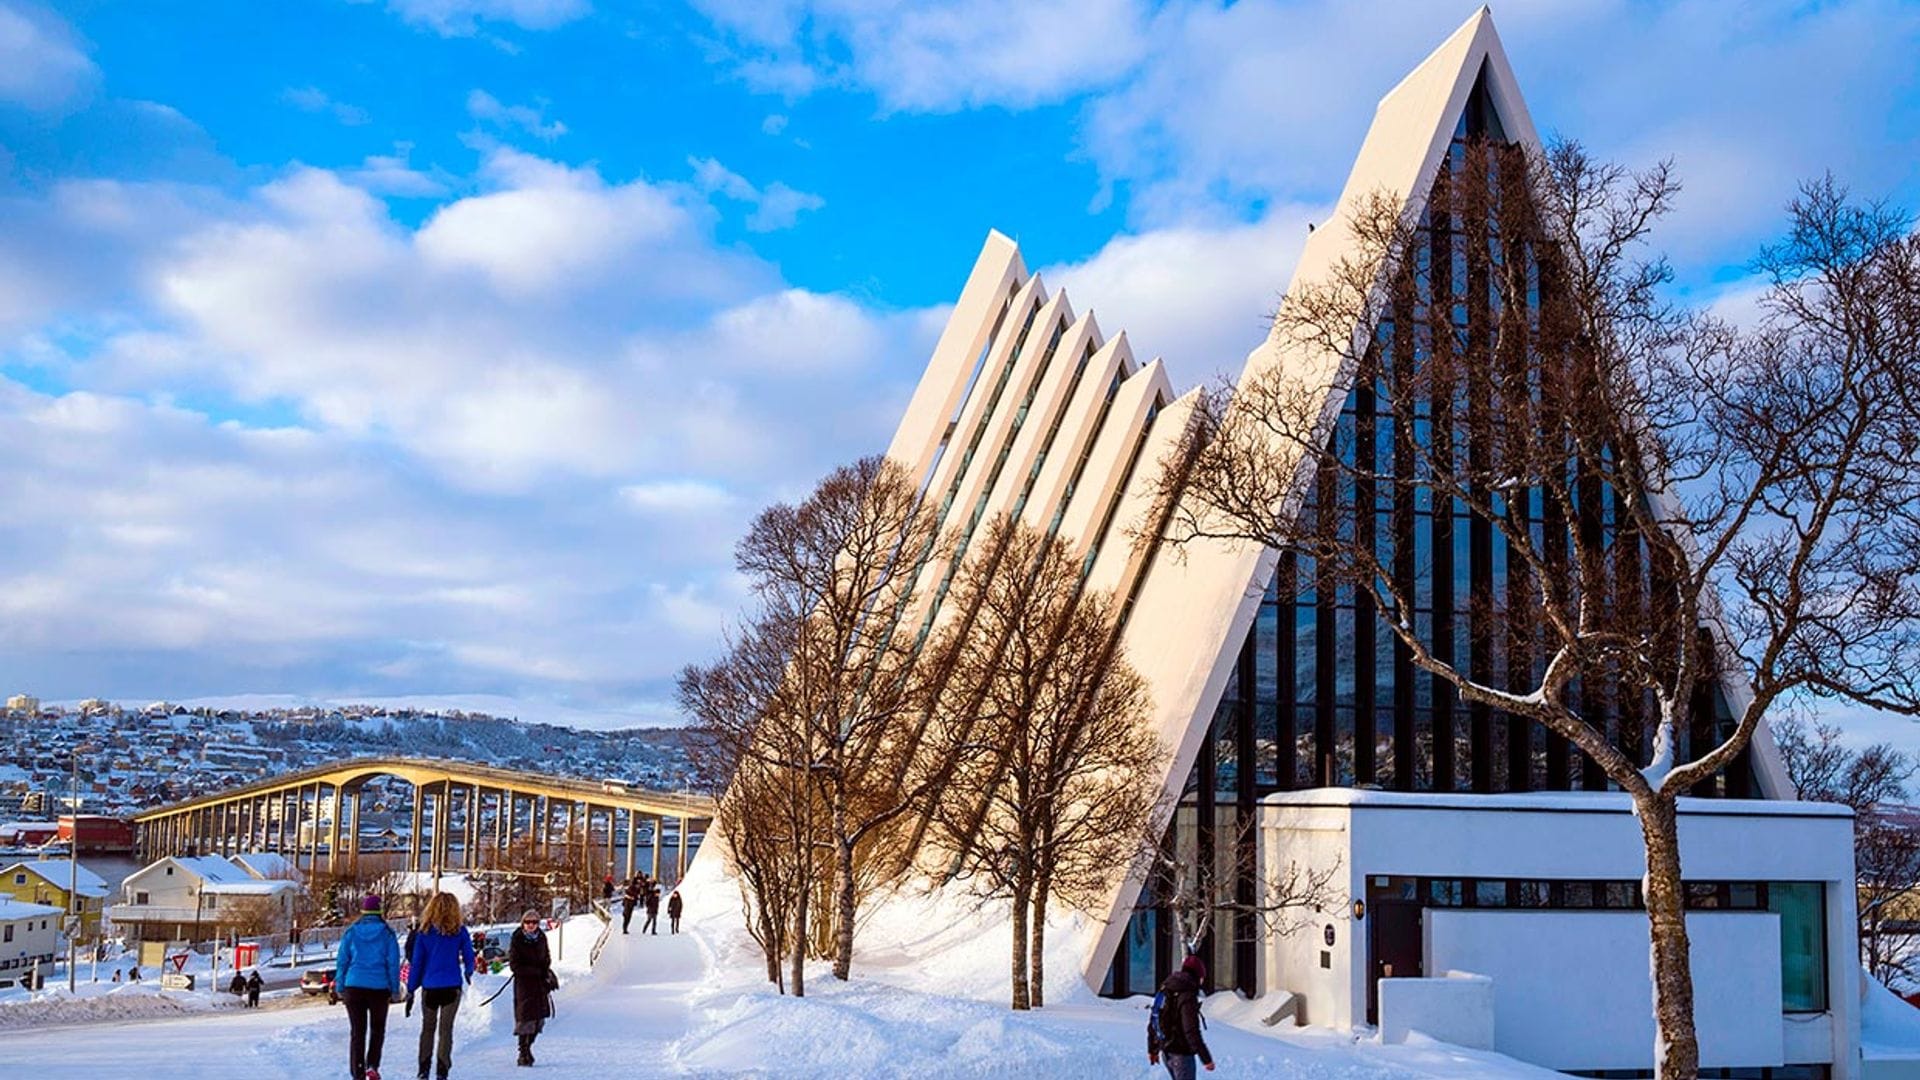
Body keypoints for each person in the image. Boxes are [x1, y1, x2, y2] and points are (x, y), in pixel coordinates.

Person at [405, 892, 475, 1080]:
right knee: (446, 1030)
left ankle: (423, 1069)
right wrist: (469, 972)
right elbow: (469, 956)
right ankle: (442, 1070)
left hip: (430, 987)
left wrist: (411, 989)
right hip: (452, 986)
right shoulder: (460, 931)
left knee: (427, 1028)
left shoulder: (424, 933)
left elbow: (417, 963)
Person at [338, 893, 402, 1080]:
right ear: (380, 911)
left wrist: (341, 986)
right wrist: (395, 989)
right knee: (377, 1029)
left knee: (357, 1032)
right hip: (379, 989)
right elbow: (393, 963)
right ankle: (372, 1066)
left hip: (354, 986)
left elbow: (342, 961)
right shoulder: (387, 934)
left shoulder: (351, 932)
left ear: (363, 911)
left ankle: (357, 1072)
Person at [1147, 954, 1214, 1079]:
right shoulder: (1187, 994)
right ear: (1198, 976)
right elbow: (1191, 1030)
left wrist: (1153, 1048)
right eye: (1202, 977)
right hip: (1182, 1054)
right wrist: (1206, 1058)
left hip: (1167, 1052)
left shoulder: (1167, 988)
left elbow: (1154, 1018)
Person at [508, 910, 555, 1067]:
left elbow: (546, 957)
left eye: (534, 922)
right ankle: (523, 1051)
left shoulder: (541, 938)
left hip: (539, 985)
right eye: (528, 922)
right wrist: (535, 971)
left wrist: (546, 972)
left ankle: (528, 1047)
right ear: (523, 923)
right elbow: (514, 965)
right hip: (524, 985)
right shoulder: (517, 939)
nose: (531, 925)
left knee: (538, 1021)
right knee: (525, 1020)